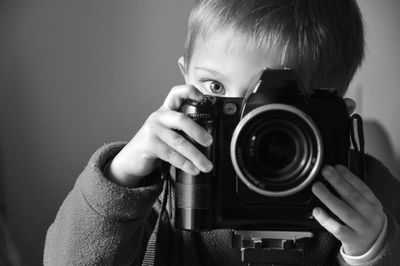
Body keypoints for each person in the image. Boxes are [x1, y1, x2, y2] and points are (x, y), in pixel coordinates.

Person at [44, 0, 400, 265]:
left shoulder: (364, 190)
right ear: (185, 79)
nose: (245, 125)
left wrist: (373, 249)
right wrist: (121, 178)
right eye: (215, 88)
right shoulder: (170, 178)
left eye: (275, 106)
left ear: (335, 115)